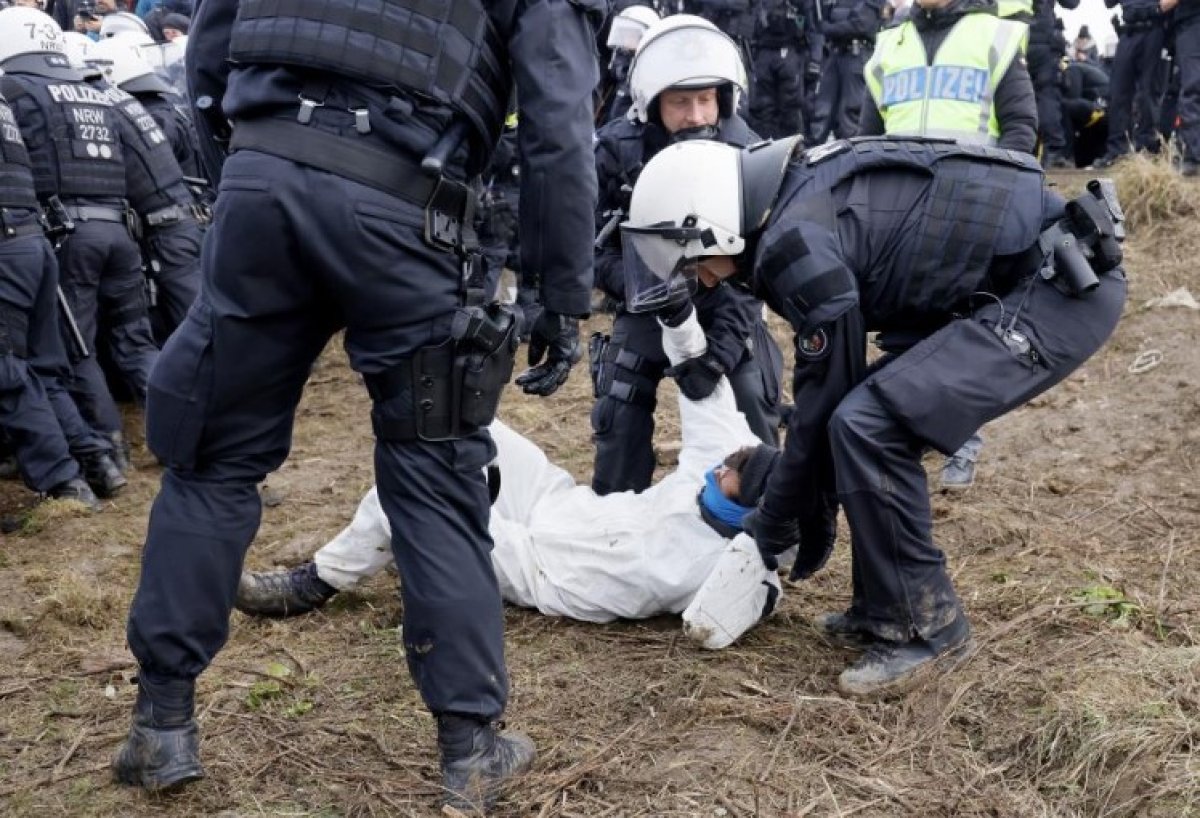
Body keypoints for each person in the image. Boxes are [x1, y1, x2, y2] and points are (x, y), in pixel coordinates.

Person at [110, 0, 602, 811]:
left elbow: (207, 54)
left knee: (210, 460)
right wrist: (561, 291)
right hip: (406, 211)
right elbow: (557, 118)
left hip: (263, 185)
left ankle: (161, 726)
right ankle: (470, 750)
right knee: (435, 468)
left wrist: (249, 170)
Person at [620, 135, 1127, 698]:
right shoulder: (792, 206)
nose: (705, 279)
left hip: (1058, 291)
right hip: (1029, 279)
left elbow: (823, 404)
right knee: (861, 421)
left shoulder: (794, 246)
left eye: (695, 260)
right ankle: (881, 605)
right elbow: (825, 408)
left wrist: (774, 522)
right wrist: (800, 505)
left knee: (869, 424)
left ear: (718, 225)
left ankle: (929, 630)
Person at [236, 308, 782, 649]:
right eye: (731, 459)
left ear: (746, 516)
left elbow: (714, 626)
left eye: (732, 475)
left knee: (407, 493)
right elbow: (701, 387)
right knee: (460, 425)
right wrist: (677, 315)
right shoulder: (725, 456)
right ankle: (440, 525)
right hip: (561, 505)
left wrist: (768, 560)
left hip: (536, 567)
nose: (720, 466)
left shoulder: (717, 565)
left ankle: (316, 582)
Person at [592, 14, 784, 496]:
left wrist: (714, 356)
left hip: (728, 305)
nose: (696, 115)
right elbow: (585, 249)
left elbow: (764, 261)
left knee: (753, 402)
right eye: (681, 102)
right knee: (619, 407)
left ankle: (765, 520)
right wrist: (648, 285)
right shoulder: (616, 150)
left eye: (706, 100)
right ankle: (615, 524)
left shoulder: (750, 155)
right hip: (646, 300)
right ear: (652, 103)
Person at [860, 0, 1037, 489]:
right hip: (898, 215)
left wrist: (994, 196)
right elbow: (865, 138)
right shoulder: (888, 44)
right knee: (902, 332)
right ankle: (902, 440)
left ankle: (961, 442)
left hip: (968, 213)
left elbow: (1021, 128)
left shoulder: (995, 37)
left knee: (958, 335)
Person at [0, 7, 157, 473]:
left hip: (67, 234)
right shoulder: (90, 91)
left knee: (76, 350)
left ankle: (107, 454)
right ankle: (189, 430)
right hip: (118, 230)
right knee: (135, 342)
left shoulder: (17, 91)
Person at [1094, 0, 1168, 167]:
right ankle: (1117, 151)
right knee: (1118, 93)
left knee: (1148, 93)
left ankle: (1147, 150)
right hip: (1128, 30)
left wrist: (1159, 8)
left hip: (1154, 27)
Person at [809, 0, 886, 144]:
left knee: (851, 115)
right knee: (821, 114)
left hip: (856, 56)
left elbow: (862, 25)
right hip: (836, 54)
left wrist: (829, 29)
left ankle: (854, 160)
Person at [1166, 0, 1200, 176]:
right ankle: (1191, 152)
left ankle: (1192, 156)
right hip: (1186, 22)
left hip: (1193, 21)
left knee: (1192, 89)